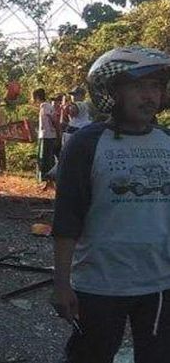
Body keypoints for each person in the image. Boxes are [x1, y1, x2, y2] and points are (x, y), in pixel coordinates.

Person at [51, 46, 170, 363]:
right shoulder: (86, 143)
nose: (149, 96)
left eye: (156, 87)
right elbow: (66, 219)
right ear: (112, 91)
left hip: (160, 284)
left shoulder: (167, 141)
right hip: (100, 284)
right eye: (138, 86)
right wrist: (61, 284)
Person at [32, 87, 57, 186]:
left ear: (37, 97)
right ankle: (44, 180)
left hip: (48, 136)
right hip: (44, 136)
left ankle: (47, 181)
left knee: (46, 159)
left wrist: (57, 134)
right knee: (42, 158)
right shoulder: (44, 107)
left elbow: (54, 121)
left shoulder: (46, 107)